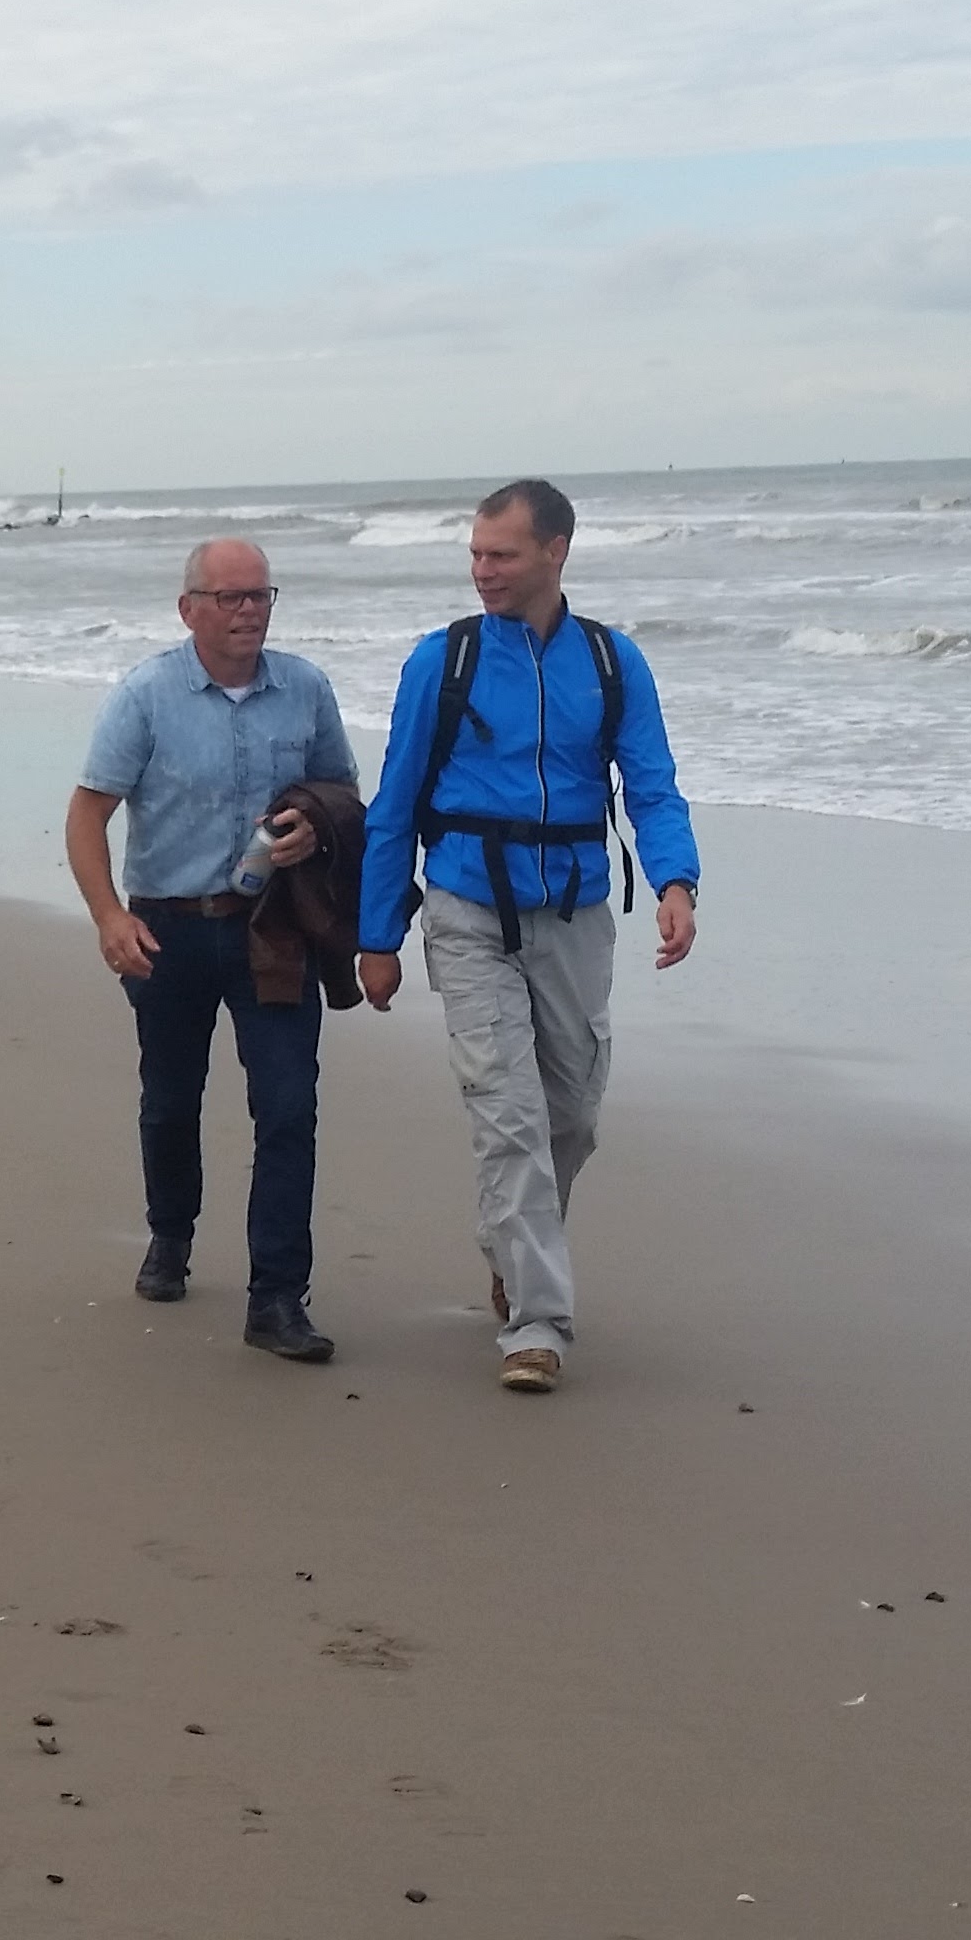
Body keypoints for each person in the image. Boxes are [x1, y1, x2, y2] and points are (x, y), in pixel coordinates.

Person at [351, 481, 701, 1395]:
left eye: (500, 554)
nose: (483, 570)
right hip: (467, 909)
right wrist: (377, 934)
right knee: (506, 1114)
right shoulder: (445, 661)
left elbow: (652, 784)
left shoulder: (613, 662)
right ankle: (537, 1326)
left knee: (571, 1117)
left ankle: (511, 1244)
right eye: (475, 553)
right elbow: (394, 803)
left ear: (556, 551)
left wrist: (676, 881)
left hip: (577, 913)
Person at [64, 538, 355, 1361]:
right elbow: (87, 814)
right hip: (168, 927)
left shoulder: (305, 689)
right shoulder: (146, 695)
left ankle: (277, 1299)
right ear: (188, 608)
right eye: (230, 597)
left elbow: (341, 790)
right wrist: (109, 918)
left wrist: (314, 829)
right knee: (170, 1098)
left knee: (289, 1106)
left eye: (261, 595)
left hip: (273, 925)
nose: (248, 611)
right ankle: (171, 1233)